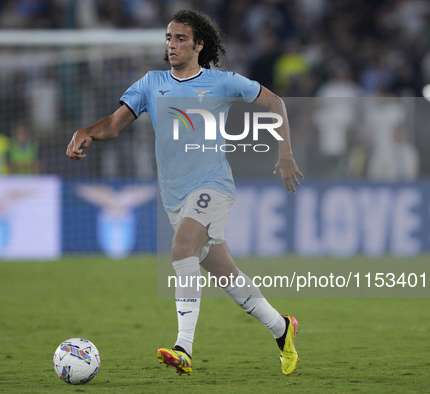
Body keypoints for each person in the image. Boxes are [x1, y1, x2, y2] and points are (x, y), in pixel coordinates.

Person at [66, 10, 304, 376]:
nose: (172, 45)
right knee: (228, 278)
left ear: (199, 45)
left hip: (213, 186)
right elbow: (114, 125)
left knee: (180, 248)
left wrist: (285, 152)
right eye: (168, 38)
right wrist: (87, 131)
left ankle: (184, 348)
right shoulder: (151, 83)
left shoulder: (223, 83)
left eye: (180, 39)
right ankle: (281, 328)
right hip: (174, 197)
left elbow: (276, 103)